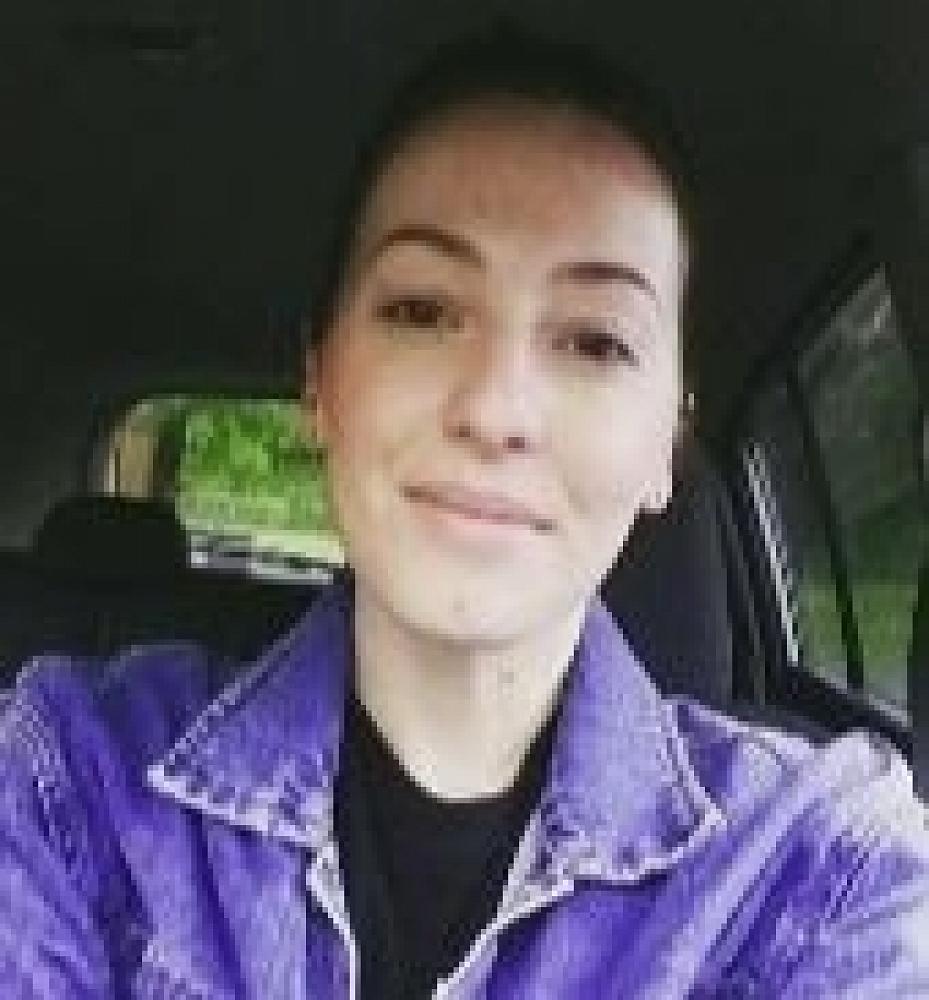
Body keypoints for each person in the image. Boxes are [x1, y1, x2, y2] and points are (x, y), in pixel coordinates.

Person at [2, 24, 929, 1000]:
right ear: (320, 381)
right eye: (421, 311)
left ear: (666, 441)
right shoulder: (69, 781)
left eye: (595, 341)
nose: (494, 409)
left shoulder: (822, 871)